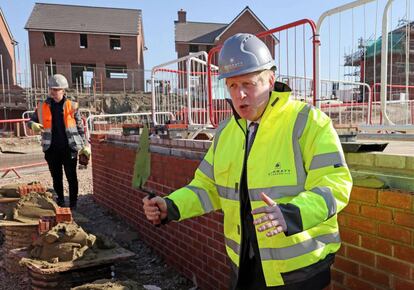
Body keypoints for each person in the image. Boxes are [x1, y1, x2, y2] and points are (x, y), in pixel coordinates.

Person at [142, 33, 352, 289]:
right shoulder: (225, 133)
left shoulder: (308, 122)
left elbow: (336, 184)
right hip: (244, 264)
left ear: (271, 80)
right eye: (232, 86)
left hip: (299, 270)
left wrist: (293, 214)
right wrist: (170, 206)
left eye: (249, 84)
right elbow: (206, 188)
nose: (240, 95)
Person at [28, 74, 90, 209]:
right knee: (56, 178)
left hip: (69, 148)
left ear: (63, 90)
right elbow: (31, 120)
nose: (53, 92)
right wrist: (32, 124)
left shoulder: (72, 106)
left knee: (71, 177)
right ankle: (60, 201)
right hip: (51, 149)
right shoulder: (42, 106)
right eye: (52, 89)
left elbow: (80, 128)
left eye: (56, 89)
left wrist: (85, 145)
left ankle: (73, 203)